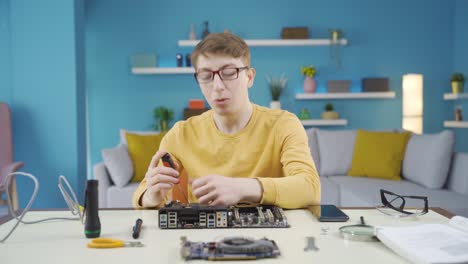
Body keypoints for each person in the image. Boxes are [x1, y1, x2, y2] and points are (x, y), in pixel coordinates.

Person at [132, 32, 320, 209]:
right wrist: (151, 196)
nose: (218, 86)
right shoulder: (181, 134)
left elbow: (310, 188)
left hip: (273, 237)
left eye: (229, 72)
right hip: (204, 240)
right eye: (206, 76)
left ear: (249, 77)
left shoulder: (284, 124)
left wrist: (243, 188)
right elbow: (141, 195)